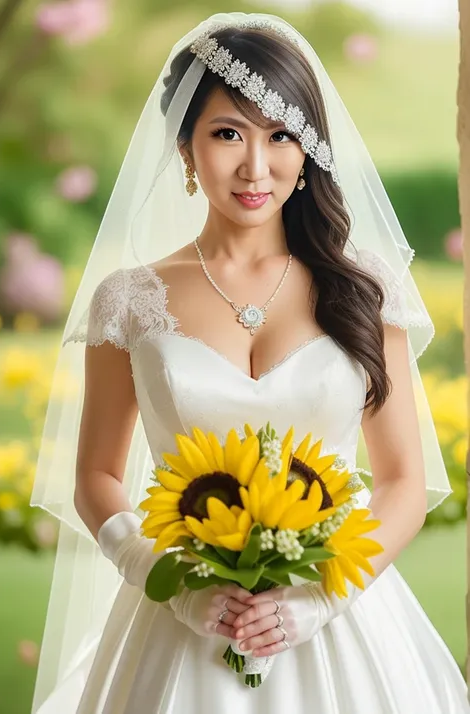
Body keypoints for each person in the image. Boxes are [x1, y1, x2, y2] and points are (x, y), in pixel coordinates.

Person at [30, 12, 469, 714]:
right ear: (184, 146)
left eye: (281, 136)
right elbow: (96, 475)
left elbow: (403, 483)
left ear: (309, 149)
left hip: (343, 619)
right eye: (228, 133)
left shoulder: (363, 290)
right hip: (182, 622)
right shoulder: (131, 299)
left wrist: (317, 601)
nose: (255, 167)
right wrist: (174, 586)